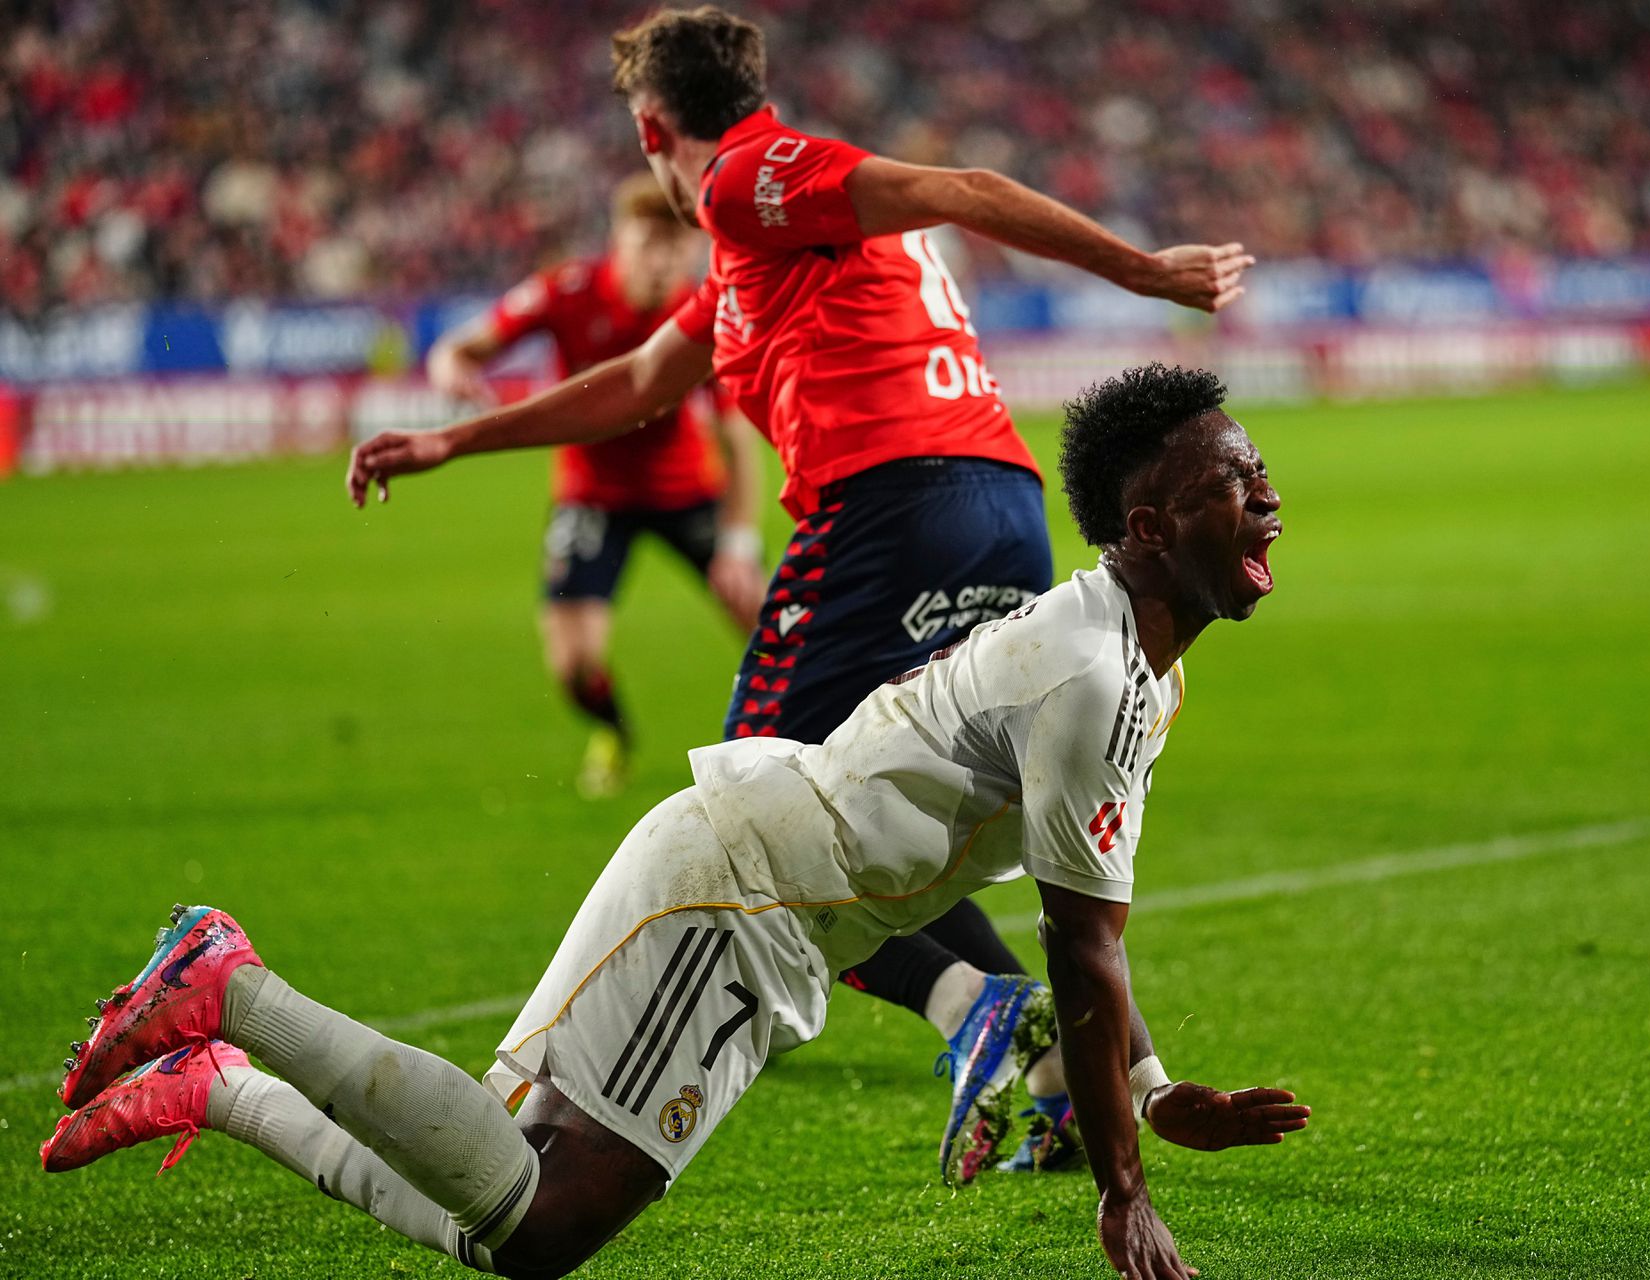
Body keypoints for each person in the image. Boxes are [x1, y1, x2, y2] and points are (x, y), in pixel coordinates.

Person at [48, 364, 1305, 1280]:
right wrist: (1124, 1185)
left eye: (1261, 477)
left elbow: (1088, 926)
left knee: (506, 1188)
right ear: (1147, 527)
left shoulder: (1142, 662)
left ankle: (214, 1075)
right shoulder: (1087, 673)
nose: (1269, 499)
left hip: (760, 893)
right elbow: (1081, 950)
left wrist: (1147, 1089)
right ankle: (231, 993)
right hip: (744, 897)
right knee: (533, 1224)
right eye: (1236, 482)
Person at [344, 5, 1256, 1179]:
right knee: (926, 803)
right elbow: (635, 379)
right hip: (993, 506)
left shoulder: (743, 179)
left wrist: (1147, 271)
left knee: (757, 814)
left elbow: (966, 184)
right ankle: (1062, 1075)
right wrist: (452, 440)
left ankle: (977, 1004)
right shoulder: (762, 248)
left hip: (889, 506)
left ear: (650, 129)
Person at [425, 174, 766, 797]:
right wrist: (452, 368)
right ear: (618, 242)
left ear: (695, 251)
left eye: (676, 247)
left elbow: (737, 438)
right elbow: (463, 347)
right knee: (575, 666)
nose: (662, 261)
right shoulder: (566, 291)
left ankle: (803, 748)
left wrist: (739, 540)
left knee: (776, 629)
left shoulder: (707, 316)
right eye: (648, 245)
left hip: (687, 491)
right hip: (593, 497)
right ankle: (613, 731)